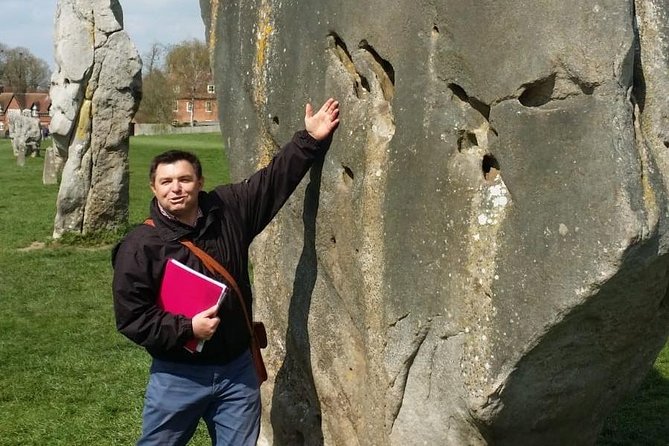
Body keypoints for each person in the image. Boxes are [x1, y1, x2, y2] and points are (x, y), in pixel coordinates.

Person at [112, 98, 340, 445]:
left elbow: (273, 181)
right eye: (167, 181)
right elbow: (131, 318)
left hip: (236, 370)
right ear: (154, 188)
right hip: (177, 375)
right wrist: (188, 327)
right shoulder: (140, 245)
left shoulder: (228, 208)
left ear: (199, 182)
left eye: (185, 179)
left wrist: (310, 139)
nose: (177, 188)